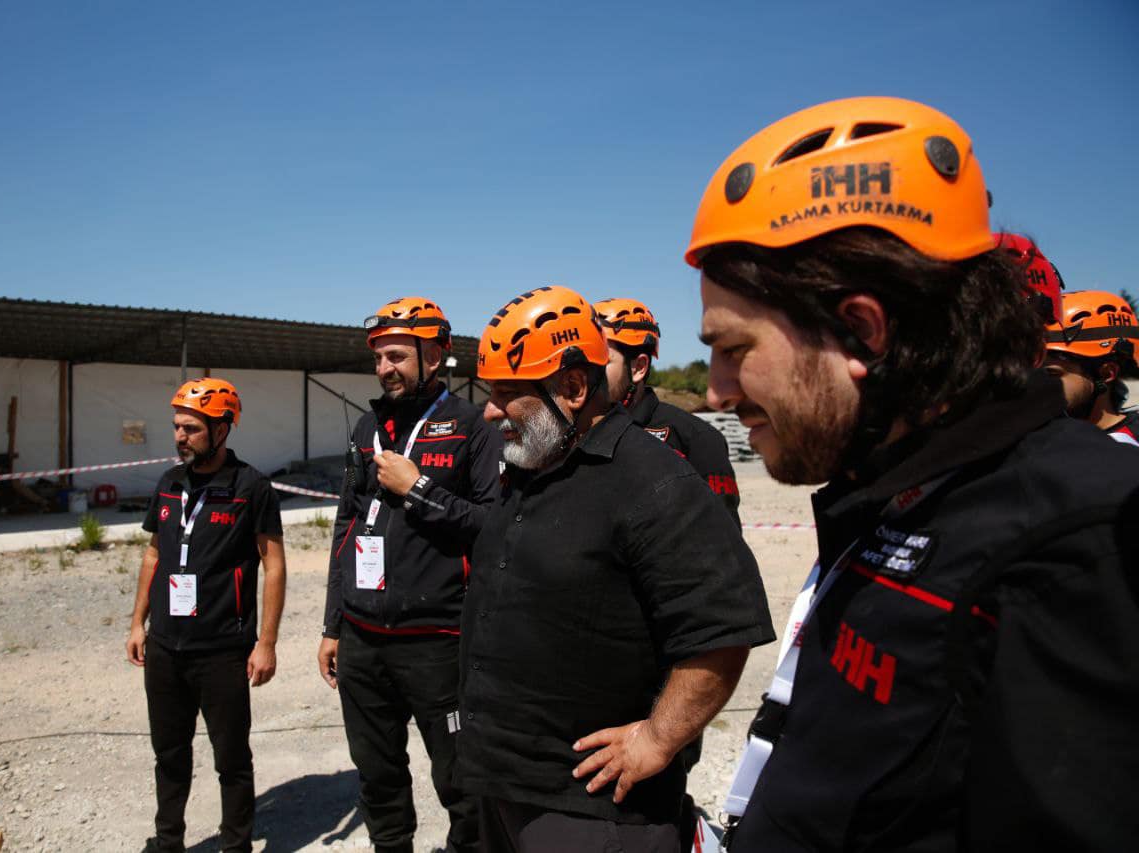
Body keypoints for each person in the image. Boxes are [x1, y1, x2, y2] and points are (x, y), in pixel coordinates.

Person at [685, 96, 1139, 851]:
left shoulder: (1080, 545)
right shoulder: (896, 493)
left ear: (861, 330)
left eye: (733, 349)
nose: (716, 392)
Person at [456, 285, 774, 853]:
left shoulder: (655, 482)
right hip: (502, 788)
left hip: (592, 811)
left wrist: (658, 739)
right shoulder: (532, 468)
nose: (489, 411)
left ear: (573, 388)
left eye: (506, 393)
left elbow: (724, 631)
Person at [318, 297, 502, 853]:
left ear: (435, 355)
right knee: (377, 776)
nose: (384, 368)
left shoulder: (472, 425)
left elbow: (494, 525)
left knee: (460, 780)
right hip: (362, 640)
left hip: (437, 641)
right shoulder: (366, 426)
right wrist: (332, 625)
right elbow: (347, 526)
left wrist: (418, 490)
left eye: (397, 356)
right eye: (378, 358)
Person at [126, 378, 286, 853]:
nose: (180, 436)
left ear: (221, 429)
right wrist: (137, 624)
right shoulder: (169, 484)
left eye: (191, 429)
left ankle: (235, 845)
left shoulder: (251, 487)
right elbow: (154, 555)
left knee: (231, 759)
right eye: (177, 427)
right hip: (165, 646)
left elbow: (274, 566)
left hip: (222, 650)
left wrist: (266, 643)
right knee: (169, 754)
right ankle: (168, 841)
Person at [594, 296, 741, 522]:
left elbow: (723, 535)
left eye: (602, 361)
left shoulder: (697, 440)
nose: (588, 374)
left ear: (639, 367)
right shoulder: (577, 433)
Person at [1043, 289, 1139, 445]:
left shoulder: (1130, 447)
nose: (1038, 383)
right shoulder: (1037, 438)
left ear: (1106, 374)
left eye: (1052, 374)